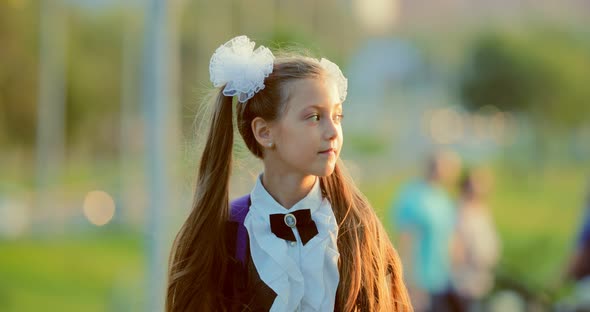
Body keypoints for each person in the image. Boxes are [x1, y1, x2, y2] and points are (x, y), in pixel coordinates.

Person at [166, 36, 412, 311]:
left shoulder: (355, 228)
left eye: (337, 116)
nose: (332, 132)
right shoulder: (227, 232)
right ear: (264, 132)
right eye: (314, 117)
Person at [392, 150, 462, 312]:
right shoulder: (413, 196)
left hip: (441, 280)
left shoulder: (444, 199)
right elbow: (406, 239)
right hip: (420, 282)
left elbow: (450, 240)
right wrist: (409, 281)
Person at [452, 167, 500, 311]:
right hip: (466, 280)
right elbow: (455, 246)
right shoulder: (460, 211)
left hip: (482, 278)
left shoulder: (483, 210)